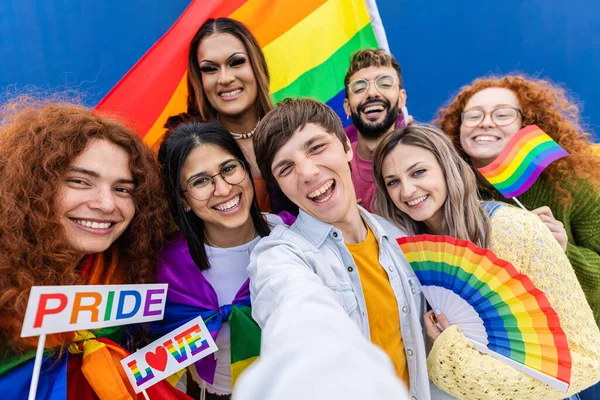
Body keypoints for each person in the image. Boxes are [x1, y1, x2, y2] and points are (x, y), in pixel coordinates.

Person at [372, 124, 600, 399]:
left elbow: (588, 360)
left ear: (447, 168)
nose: (407, 191)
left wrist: (455, 357)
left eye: (419, 172)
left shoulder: (515, 229)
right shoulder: (404, 256)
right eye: (392, 181)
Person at [0, 99, 186, 399]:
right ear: (32, 186)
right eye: (80, 181)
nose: (106, 204)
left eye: (122, 189)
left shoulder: (134, 276)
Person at [249, 98, 430, 399]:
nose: (307, 172)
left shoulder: (400, 234)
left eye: (316, 147)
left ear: (347, 146)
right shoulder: (278, 257)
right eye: (286, 168)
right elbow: (295, 313)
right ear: (279, 186)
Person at [435, 75, 600, 326]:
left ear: (527, 125)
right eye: (473, 116)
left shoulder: (569, 184)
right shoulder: (447, 191)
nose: (486, 123)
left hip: (574, 334)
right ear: (457, 129)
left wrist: (564, 251)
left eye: (502, 115)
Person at [156, 122, 283, 399]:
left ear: (246, 170)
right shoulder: (166, 267)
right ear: (183, 200)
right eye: (200, 181)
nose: (224, 189)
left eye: (228, 169)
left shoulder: (294, 239)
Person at [186, 17, 297, 217]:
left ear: (257, 65)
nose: (225, 78)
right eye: (210, 68)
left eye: (236, 62)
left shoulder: (295, 131)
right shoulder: (188, 151)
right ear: (198, 79)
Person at [343, 48, 408, 211]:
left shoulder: (426, 156)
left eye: (385, 83)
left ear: (401, 99)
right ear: (347, 107)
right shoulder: (336, 166)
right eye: (359, 88)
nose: (372, 93)